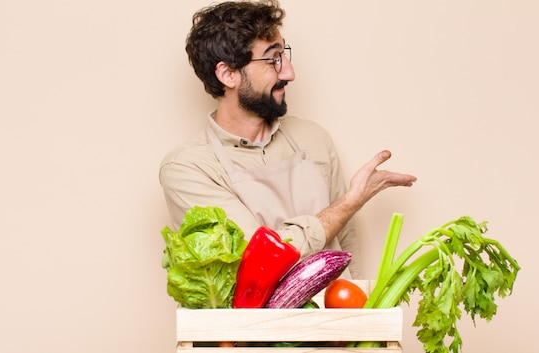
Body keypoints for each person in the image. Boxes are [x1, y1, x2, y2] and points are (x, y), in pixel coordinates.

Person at [159, 0, 416, 279]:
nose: (289, 72)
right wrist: (350, 202)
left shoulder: (313, 138)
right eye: (273, 59)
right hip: (254, 324)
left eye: (285, 55)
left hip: (335, 316)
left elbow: (346, 247)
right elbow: (257, 260)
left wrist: (357, 312)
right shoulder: (189, 168)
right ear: (228, 74)